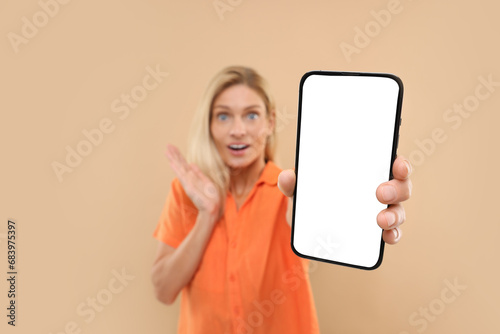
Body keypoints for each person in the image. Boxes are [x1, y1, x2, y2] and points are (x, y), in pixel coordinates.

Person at [151, 66, 413, 334]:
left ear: (270, 122)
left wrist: (356, 203)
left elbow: (319, 232)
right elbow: (163, 290)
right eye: (223, 116)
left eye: (251, 115)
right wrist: (207, 215)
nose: (238, 130)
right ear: (209, 124)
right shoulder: (185, 193)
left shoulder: (292, 191)